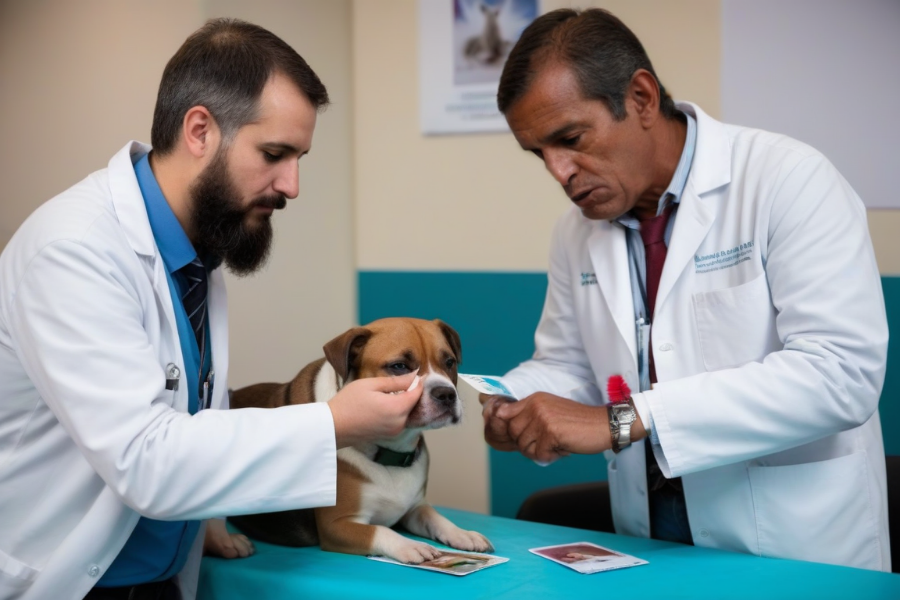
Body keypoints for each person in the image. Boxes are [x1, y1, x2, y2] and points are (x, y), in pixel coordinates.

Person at [0, 19, 422, 600]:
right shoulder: (73, 250)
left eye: (299, 157)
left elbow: (195, 423)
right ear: (199, 130)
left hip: (164, 578)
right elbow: (146, 460)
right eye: (275, 153)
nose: (293, 184)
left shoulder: (197, 250)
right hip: (70, 579)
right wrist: (332, 422)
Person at [482, 8, 890, 571]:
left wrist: (621, 421)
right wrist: (515, 400)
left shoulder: (788, 180)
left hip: (790, 542)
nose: (559, 172)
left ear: (642, 98)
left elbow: (841, 374)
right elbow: (571, 365)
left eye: (570, 139)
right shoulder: (576, 232)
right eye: (539, 153)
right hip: (650, 538)